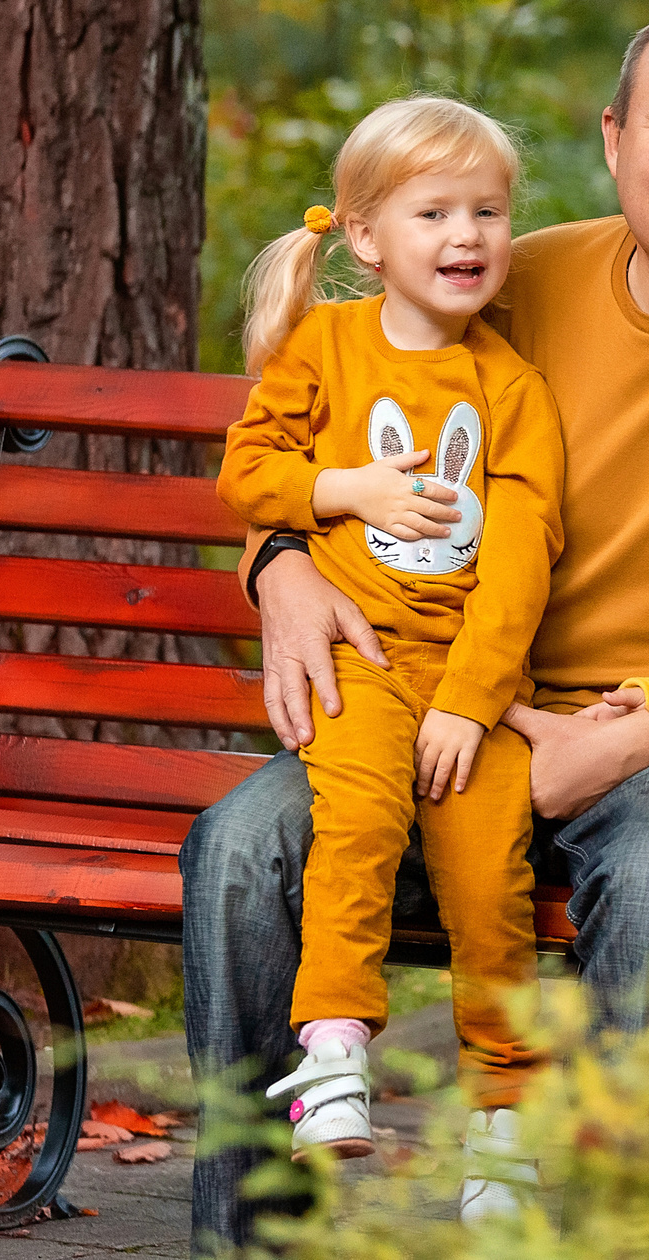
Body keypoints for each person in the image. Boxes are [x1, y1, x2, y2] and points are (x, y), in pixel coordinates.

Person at [183, 0, 649, 1253]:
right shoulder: (509, 276)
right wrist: (276, 569)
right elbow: (316, 446)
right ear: (613, 137)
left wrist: (619, 743)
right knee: (241, 847)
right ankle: (247, 1241)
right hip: (448, 702)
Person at [214, 97, 565, 1222]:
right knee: (358, 819)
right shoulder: (324, 347)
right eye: (435, 213)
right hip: (354, 656)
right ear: (364, 235)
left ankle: (504, 1121)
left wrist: (471, 701)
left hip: (467, 687)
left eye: (488, 212)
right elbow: (248, 471)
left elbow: (520, 564)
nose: (468, 235)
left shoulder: (511, 389)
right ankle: (331, 1050)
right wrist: (346, 489)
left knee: (491, 885)